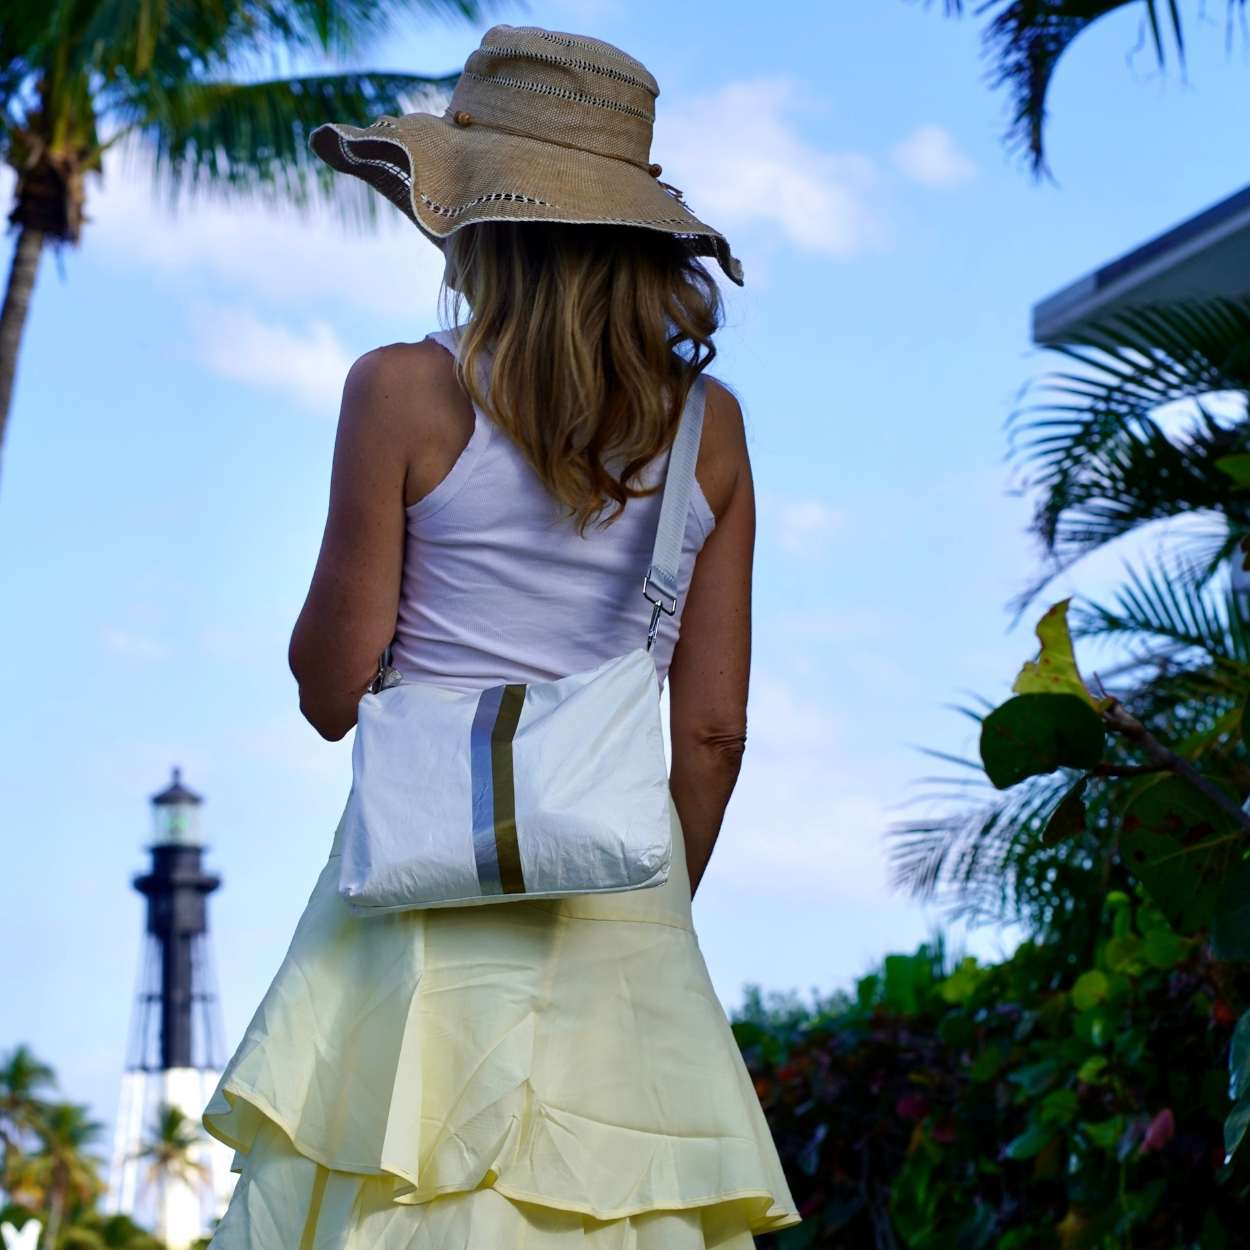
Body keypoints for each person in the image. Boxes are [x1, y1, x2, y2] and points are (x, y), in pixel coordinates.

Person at [201, 23, 801, 1250]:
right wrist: (646, 895)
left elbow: (330, 687)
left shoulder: (400, 392)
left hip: (411, 915)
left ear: (477, 217)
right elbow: (712, 728)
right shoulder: (713, 430)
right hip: (620, 916)